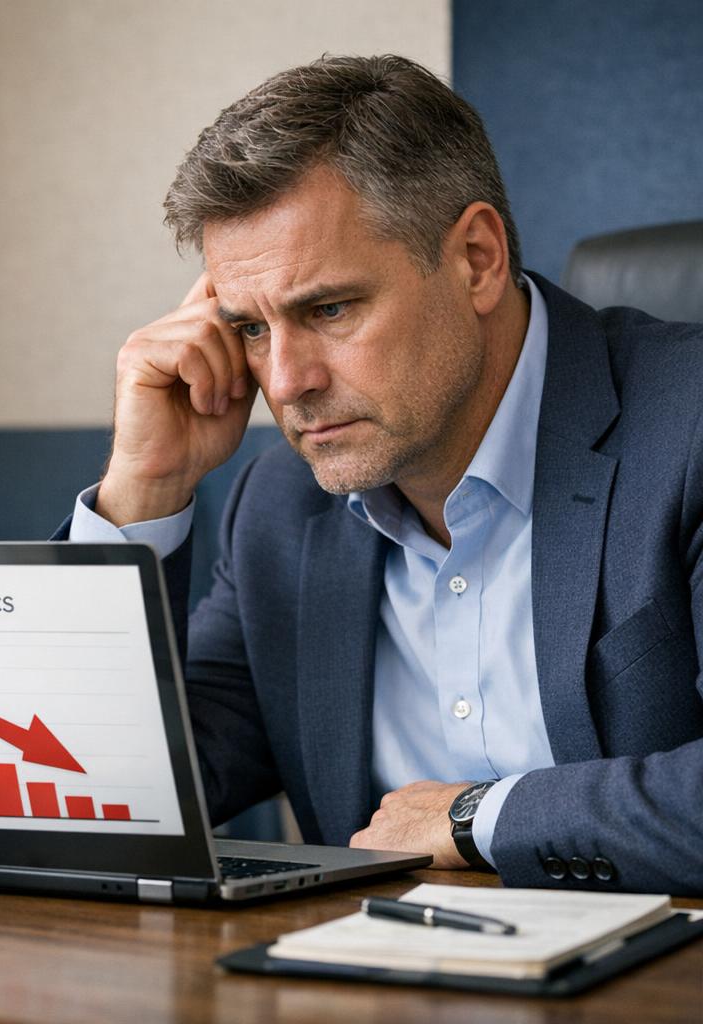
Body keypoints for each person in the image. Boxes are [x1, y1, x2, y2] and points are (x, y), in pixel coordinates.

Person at [59, 54, 703, 894]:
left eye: (328, 309)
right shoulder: (279, 510)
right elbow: (92, 787)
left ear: (477, 258)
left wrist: (481, 817)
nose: (285, 382)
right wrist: (143, 486)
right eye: (249, 328)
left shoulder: (685, 428)